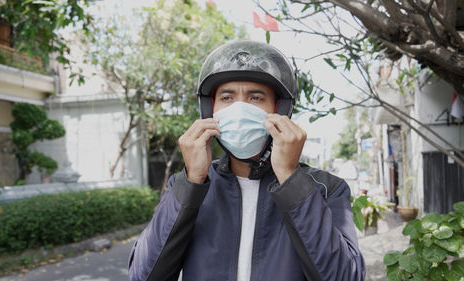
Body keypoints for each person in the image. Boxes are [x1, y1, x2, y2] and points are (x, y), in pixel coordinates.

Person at [128, 40, 365, 281]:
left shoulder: (326, 189)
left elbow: (345, 276)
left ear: (279, 110)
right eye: (228, 98)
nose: (239, 108)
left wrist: (291, 178)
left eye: (255, 98)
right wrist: (192, 181)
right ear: (210, 110)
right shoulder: (190, 187)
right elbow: (143, 276)